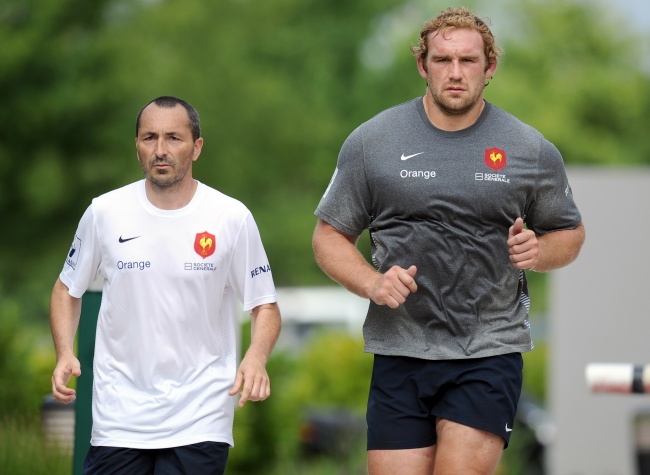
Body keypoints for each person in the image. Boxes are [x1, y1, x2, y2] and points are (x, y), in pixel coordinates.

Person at [312, 7, 585, 475]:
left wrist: (539, 252)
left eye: (468, 60)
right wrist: (373, 283)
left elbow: (570, 232)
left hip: (488, 349)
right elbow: (329, 236)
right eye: (442, 60)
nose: (455, 73)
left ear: (489, 66)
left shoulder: (529, 148)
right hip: (400, 348)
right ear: (423, 65)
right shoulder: (372, 142)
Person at [50, 96, 281, 475]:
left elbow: (265, 304)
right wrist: (63, 352)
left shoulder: (231, 217)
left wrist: (256, 357)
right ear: (137, 147)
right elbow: (65, 288)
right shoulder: (104, 212)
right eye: (149, 137)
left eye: (173, 137)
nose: (160, 149)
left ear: (197, 147)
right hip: (119, 415)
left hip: (200, 415)